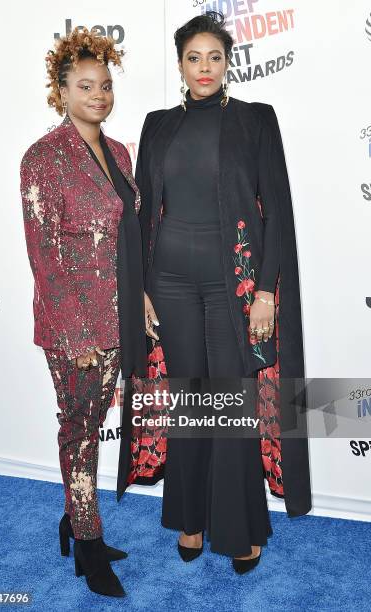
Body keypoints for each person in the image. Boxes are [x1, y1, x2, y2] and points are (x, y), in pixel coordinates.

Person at [117, 11, 311, 574]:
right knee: (189, 403)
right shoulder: (157, 125)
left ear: (229, 63)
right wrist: (144, 289)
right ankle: (191, 519)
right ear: (179, 65)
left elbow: (276, 208)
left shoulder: (255, 120)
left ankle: (238, 525)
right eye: (193, 58)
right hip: (169, 283)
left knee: (228, 404)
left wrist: (268, 294)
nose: (204, 68)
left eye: (215, 57)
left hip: (236, 287)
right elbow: (145, 212)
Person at [20, 27, 147, 597]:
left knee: (92, 425)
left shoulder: (118, 152)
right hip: (74, 327)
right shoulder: (43, 157)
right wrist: (75, 333)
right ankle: (90, 546)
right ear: (61, 92)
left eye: (105, 85)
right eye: (85, 86)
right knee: (80, 430)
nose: (98, 95)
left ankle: (74, 520)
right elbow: (43, 254)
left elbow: (128, 237)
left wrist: (139, 297)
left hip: (116, 314)